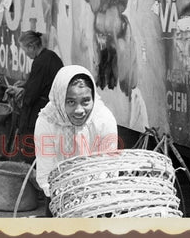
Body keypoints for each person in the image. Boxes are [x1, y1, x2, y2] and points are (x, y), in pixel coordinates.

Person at [33, 65, 118, 216]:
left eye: (85, 101)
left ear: (93, 98)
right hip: (58, 197)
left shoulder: (103, 120)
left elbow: (108, 169)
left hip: (96, 197)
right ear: (60, 100)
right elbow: (46, 173)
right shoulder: (48, 120)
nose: (79, 110)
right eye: (71, 102)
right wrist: (65, 201)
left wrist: (88, 199)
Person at [15, 31, 63, 161]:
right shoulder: (51, 56)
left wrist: (20, 93)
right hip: (54, 110)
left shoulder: (40, 62)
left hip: (41, 110)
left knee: (33, 150)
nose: (26, 54)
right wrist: (26, 84)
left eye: (25, 50)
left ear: (32, 46)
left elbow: (32, 94)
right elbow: (44, 82)